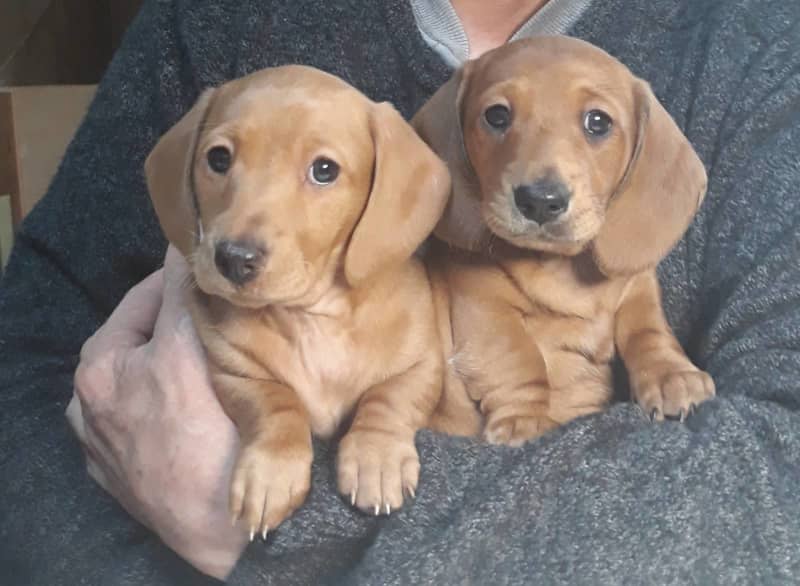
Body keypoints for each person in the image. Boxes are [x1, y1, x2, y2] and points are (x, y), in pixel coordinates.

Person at [1, 0, 799, 583]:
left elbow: (778, 487)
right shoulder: (214, 19)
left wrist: (274, 535)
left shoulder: (759, 46)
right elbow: (25, 362)